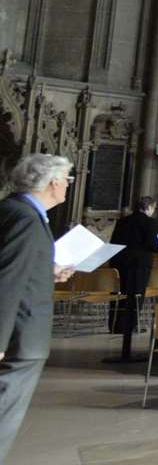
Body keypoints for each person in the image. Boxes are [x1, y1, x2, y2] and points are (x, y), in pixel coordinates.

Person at [0, 154, 75, 460]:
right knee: (5, 408)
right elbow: (8, 279)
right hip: (20, 335)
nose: (68, 186)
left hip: (17, 331)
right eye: (67, 180)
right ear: (53, 183)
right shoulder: (26, 219)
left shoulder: (11, 209)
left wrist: (49, 271)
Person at [104, 195, 158, 363]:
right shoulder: (150, 222)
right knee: (137, 297)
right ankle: (130, 328)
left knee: (121, 295)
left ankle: (117, 326)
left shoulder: (123, 221)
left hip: (121, 264)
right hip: (139, 265)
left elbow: (114, 242)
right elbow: (153, 245)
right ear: (149, 207)